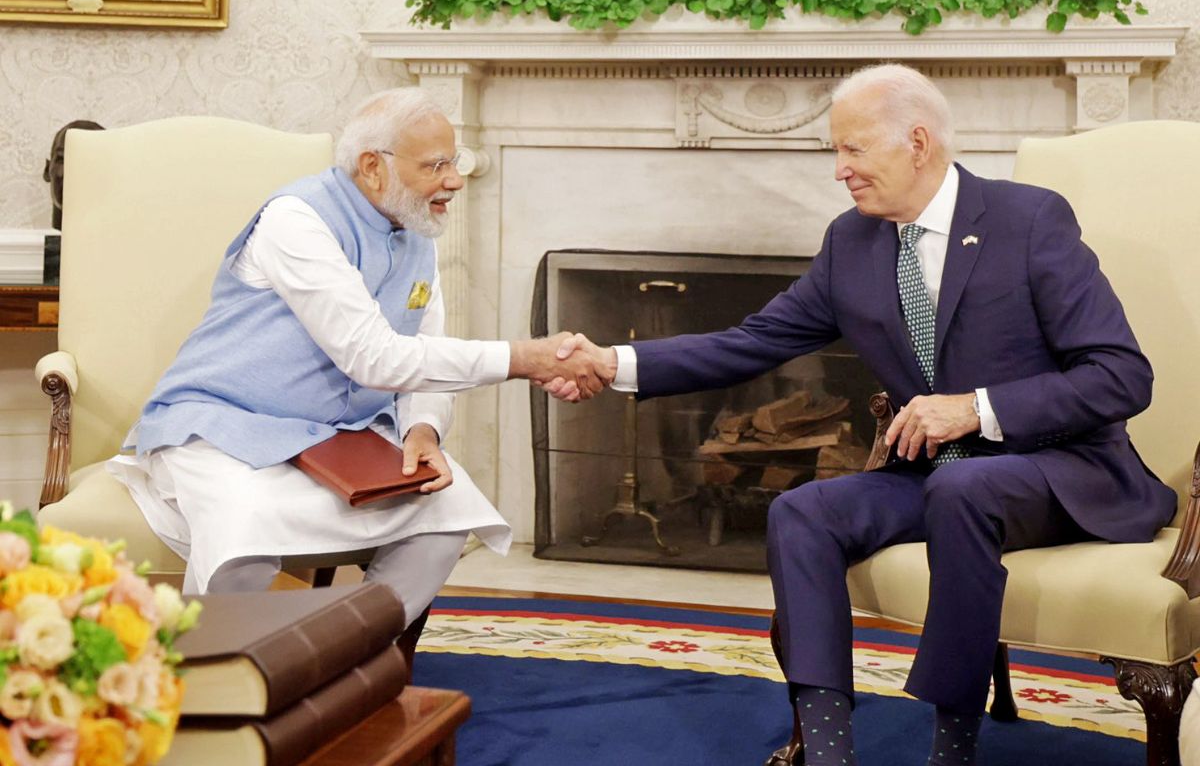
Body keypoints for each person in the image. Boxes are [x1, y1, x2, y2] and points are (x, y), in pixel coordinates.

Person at [551, 64, 1175, 765]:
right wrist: (614, 364)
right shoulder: (852, 243)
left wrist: (976, 409)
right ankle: (827, 749)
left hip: (1063, 473)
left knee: (962, 487)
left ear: (917, 141)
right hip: (941, 479)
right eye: (835, 151)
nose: (839, 170)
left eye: (853, 150)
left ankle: (953, 746)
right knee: (803, 512)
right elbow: (753, 342)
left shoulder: (1028, 220)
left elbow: (1123, 375)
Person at [108, 87, 608, 640]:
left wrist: (423, 428)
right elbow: (373, 356)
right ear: (373, 167)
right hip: (224, 426)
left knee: (448, 512)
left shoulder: (417, 230)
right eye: (436, 165)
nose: (455, 180)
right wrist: (524, 357)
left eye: (455, 161)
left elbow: (425, 347)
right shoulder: (296, 220)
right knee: (243, 533)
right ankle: (213, 679)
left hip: (339, 439)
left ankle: (348, 653)